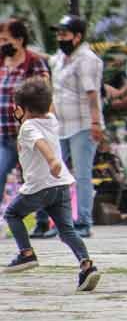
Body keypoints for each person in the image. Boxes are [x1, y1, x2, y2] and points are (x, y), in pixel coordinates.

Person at [3, 78, 101, 292]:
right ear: (48, 106)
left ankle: (26, 254)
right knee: (67, 230)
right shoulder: (51, 120)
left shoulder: (28, 127)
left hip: (40, 186)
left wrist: (52, 160)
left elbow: (40, 143)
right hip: (61, 185)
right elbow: (45, 114)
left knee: (12, 214)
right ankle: (87, 266)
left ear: (20, 109)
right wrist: (46, 89)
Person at [49, 15, 104, 238]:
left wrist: (95, 122)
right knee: (56, 174)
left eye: (65, 34)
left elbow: (92, 94)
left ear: (77, 36)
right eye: (58, 33)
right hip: (61, 125)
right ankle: (61, 222)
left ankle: (84, 221)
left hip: (83, 124)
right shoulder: (58, 59)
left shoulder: (87, 59)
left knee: (82, 174)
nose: (60, 38)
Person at [0, 18, 52, 237]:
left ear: (20, 40)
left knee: (33, 178)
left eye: (5, 39)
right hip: (5, 133)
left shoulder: (33, 63)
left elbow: (44, 93)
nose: (2, 44)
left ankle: (42, 221)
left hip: (29, 133)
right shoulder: (2, 62)